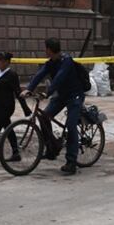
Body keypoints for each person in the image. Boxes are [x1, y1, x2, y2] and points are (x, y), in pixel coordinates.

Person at [21, 37, 85, 175]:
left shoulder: (66, 61)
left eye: (46, 48)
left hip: (74, 96)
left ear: (49, 49)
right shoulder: (51, 62)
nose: (45, 51)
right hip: (61, 96)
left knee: (71, 126)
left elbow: (59, 78)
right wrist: (29, 89)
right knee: (44, 117)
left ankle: (71, 162)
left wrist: (47, 93)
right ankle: (52, 149)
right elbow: (40, 74)